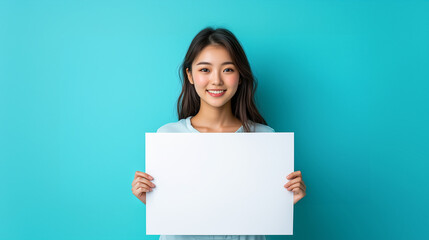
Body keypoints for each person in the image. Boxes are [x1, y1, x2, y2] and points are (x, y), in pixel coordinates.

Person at [131, 27, 306, 240]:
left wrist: (285, 200)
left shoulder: (265, 138)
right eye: (205, 69)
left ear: (240, 76)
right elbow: (176, 210)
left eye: (228, 69)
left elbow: (260, 212)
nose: (216, 80)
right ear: (190, 75)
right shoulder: (168, 136)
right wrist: (153, 199)